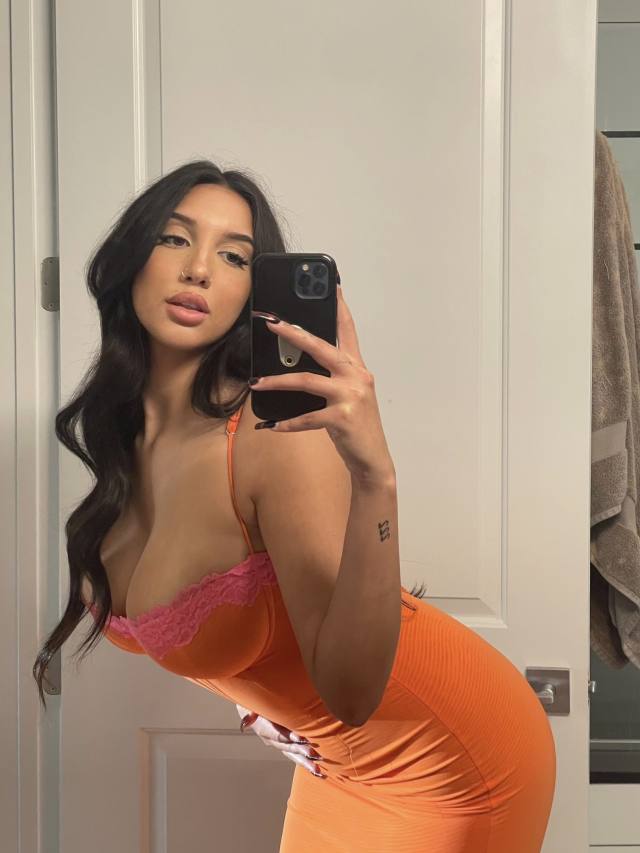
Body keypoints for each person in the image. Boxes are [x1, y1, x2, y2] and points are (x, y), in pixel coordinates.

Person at [33, 160, 556, 851]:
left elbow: (351, 695)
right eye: (174, 238)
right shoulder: (127, 434)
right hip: (332, 759)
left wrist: (375, 476)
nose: (198, 270)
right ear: (131, 257)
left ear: (254, 293)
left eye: (233, 256)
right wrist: (263, 701)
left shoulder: (272, 434)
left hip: (453, 757)